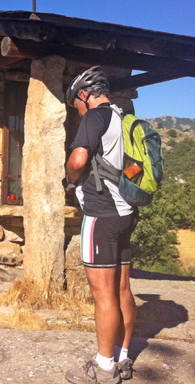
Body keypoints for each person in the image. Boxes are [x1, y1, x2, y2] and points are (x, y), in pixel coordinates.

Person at [64, 67, 138, 383]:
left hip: (101, 215)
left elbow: (79, 160)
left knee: (103, 293)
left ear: (84, 94)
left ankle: (104, 366)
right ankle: (122, 357)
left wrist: (70, 179)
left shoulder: (96, 117)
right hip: (126, 212)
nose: (78, 112)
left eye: (76, 106)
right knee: (122, 287)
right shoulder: (124, 119)